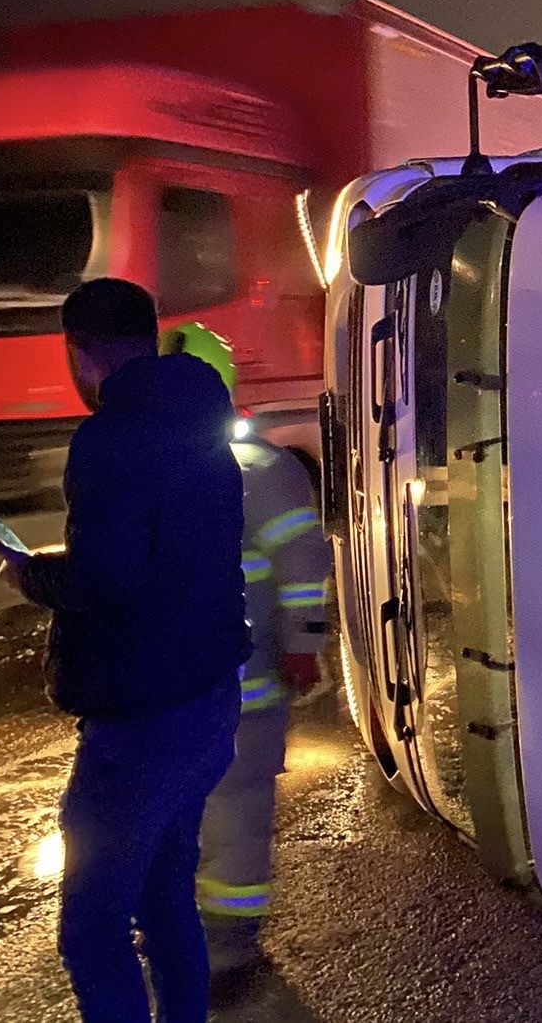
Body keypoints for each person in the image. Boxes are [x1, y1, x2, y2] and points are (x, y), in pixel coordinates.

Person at [0, 278, 248, 1023]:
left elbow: (105, 578)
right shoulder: (200, 417)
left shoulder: (110, 437)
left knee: (92, 928)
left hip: (139, 720)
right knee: (167, 901)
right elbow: (165, 554)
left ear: (79, 351)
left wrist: (28, 573)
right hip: (206, 698)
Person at [159, 322, 330, 976]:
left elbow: (302, 562)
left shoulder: (257, 471)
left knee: (233, 808)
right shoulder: (185, 466)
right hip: (186, 685)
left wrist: (304, 644)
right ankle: (199, 923)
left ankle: (230, 937)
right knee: (198, 809)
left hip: (243, 686)